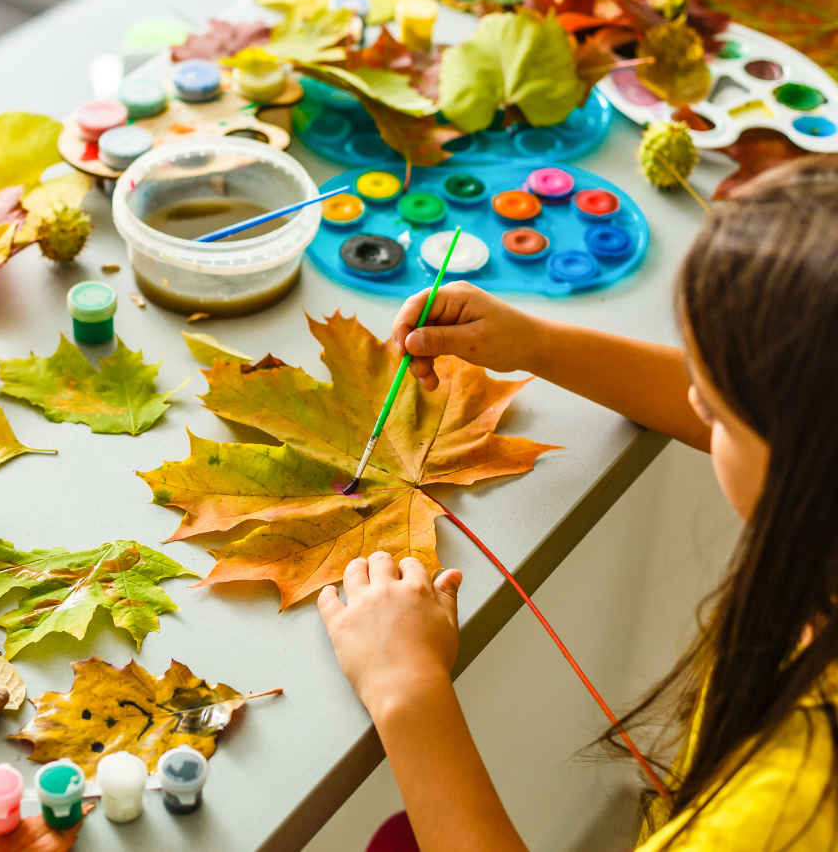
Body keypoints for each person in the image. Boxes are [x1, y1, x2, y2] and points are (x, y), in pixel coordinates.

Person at [319, 155, 838, 851]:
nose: (691, 401)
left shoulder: (788, 807)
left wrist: (405, 690)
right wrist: (537, 343)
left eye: (713, 410)